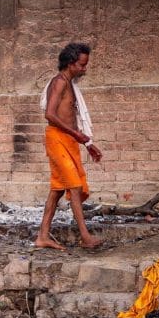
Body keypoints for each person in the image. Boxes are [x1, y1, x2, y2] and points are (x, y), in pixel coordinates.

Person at [35, 42, 104, 250]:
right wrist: (77, 135)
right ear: (70, 63)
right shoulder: (59, 82)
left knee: (57, 190)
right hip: (57, 138)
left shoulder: (70, 84)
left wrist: (87, 143)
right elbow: (50, 114)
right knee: (74, 186)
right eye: (82, 65)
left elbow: (72, 120)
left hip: (69, 140)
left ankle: (42, 237)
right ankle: (85, 236)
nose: (84, 69)